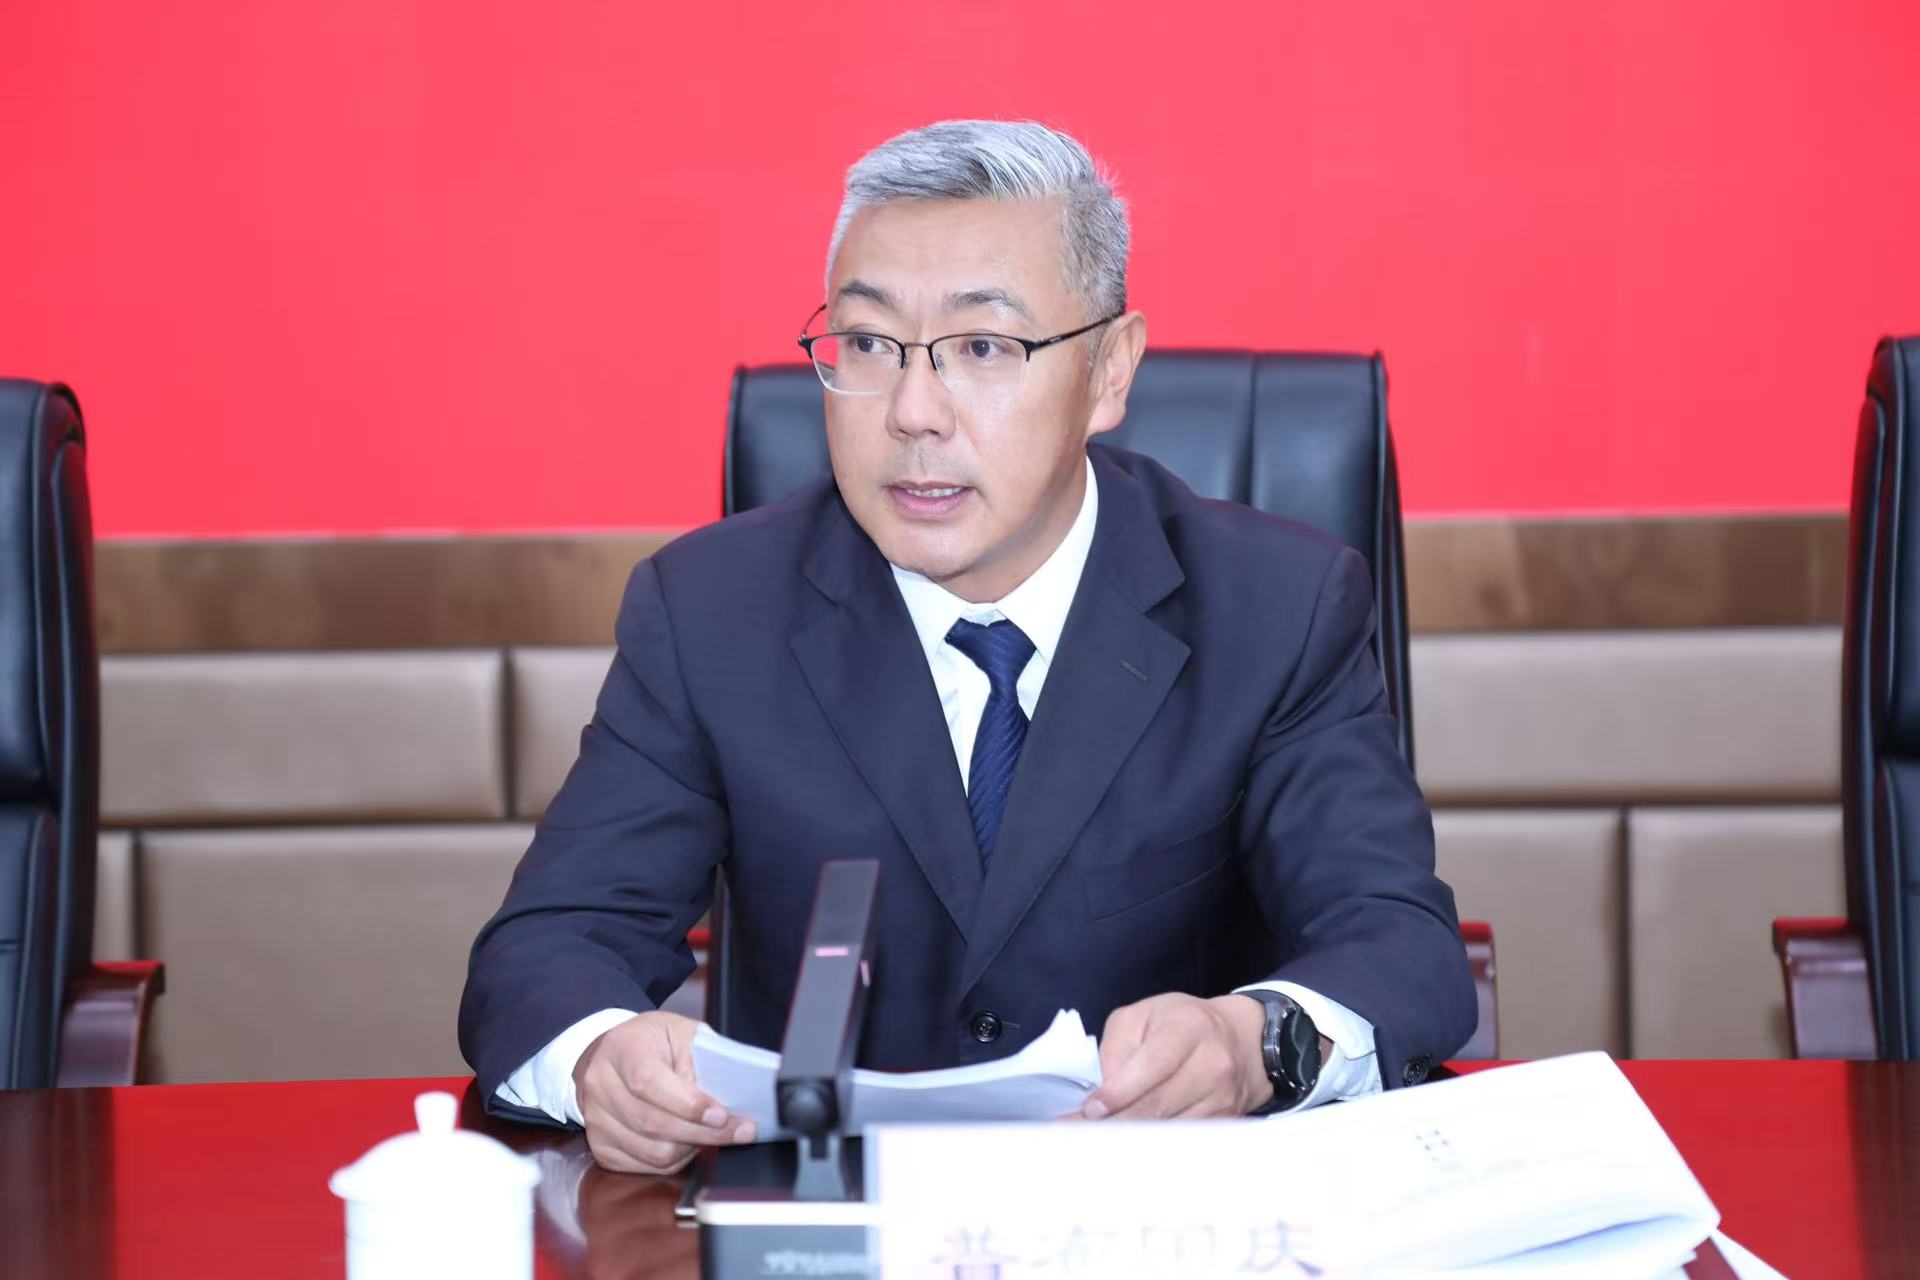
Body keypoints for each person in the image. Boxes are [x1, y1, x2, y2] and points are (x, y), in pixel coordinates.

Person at [460, 120, 1475, 1174]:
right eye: (867, 344)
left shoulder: (1275, 607)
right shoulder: (711, 610)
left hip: (1159, 1215)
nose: (912, 413)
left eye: (984, 348)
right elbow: (545, 950)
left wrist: (1253, 1040)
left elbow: (1399, 942)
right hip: (828, 1224)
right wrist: (599, 1058)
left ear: (1110, 370)